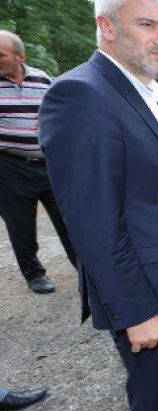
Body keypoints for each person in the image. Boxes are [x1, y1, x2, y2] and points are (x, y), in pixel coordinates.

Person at [38, 0, 158, 411]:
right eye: (148, 25)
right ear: (106, 26)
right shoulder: (80, 94)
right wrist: (136, 311)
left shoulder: (145, 90)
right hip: (148, 289)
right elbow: (92, 222)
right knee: (153, 397)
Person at [0, 30, 77, 294]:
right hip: (10, 165)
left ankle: (85, 268)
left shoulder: (44, 79)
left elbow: (65, 112)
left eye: (1, 54)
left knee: (69, 219)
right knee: (20, 224)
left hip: (50, 163)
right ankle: (34, 274)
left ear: (21, 56)